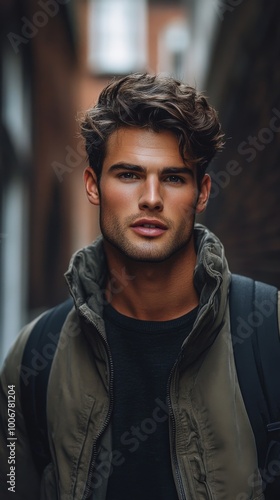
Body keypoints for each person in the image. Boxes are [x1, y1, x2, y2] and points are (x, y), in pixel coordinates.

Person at [0, 72, 279, 500]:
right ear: (93, 186)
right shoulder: (31, 360)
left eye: (173, 178)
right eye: (129, 175)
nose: (151, 197)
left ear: (202, 193)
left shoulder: (271, 331)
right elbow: (13, 483)